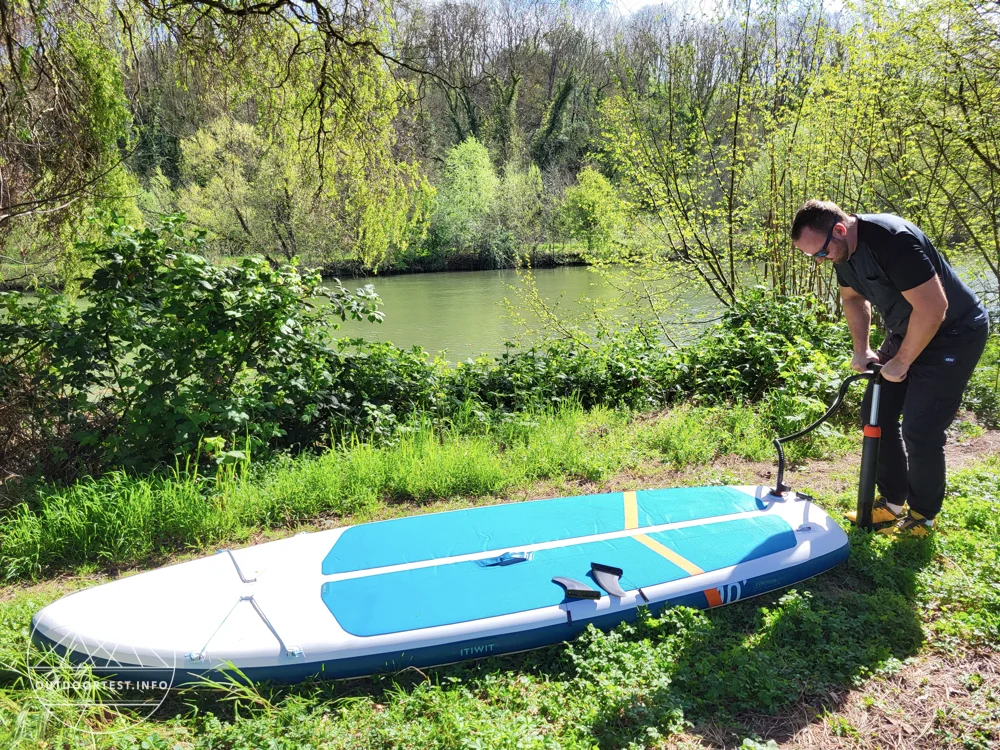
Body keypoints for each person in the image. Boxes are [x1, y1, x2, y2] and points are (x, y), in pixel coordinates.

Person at [790, 200, 990, 537]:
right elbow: (853, 299)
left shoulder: (892, 239)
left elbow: (934, 307)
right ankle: (893, 502)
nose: (821, 261)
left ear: (840, 230)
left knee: (920, 429)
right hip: (908, 329)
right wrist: (862, 349)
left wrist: (903, 360)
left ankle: (923, 516)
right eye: (814, 258)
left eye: (821, 253)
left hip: (953, 333)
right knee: (876, 413)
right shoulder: (841, 251)